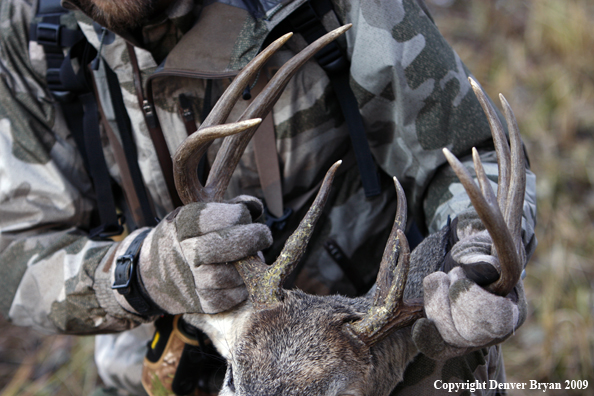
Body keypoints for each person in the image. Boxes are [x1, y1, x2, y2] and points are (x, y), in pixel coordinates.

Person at [0, 0, 537, 394]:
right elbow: (13, 254)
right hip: (175, 360)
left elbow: (476, 159)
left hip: (380, 343)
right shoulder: (29, 35)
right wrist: (143, 272)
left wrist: (476, 265)